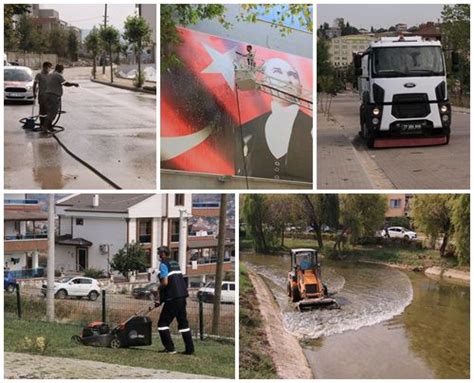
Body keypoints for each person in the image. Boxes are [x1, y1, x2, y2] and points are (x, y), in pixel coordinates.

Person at [234, 58, 312, 182]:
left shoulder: (312, 127)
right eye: (278, 72)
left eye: (292, 75)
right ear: (264, 81)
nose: (287, 80)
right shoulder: (246, 131)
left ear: (300, 86)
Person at [155, 246, 194, 355]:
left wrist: (158, 288)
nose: (158, 255)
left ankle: (170, 348)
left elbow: (166, 283)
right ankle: (189, 349)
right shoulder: (175, 263)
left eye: (159, 253)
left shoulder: (163, 264)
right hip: (182, 297)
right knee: (183, 323)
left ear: (163, 254)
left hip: (172, 298)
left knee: (162, 324)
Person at [42, 64, 79, 133]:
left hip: (48, 95)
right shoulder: (57, 75)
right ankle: (45, 127)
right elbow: (66, 84)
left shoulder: (50, 74)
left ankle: (49, 127)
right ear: (60, 69)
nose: (62, 71)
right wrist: (74, 84)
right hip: (53, 96)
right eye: (62, 69)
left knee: (49, 112)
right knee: (52, 113)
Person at [33, 61, 53, 127]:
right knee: (42, 112)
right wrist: (34, 93)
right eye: (48, 67)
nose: (49, 69)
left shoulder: (51, 75)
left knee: (49, 112)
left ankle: (48, 125)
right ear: (44, 67)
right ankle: (42, 124)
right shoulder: (39, 75)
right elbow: (35, 84)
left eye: (50, 67)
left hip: (49, 97)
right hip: (42, 96)